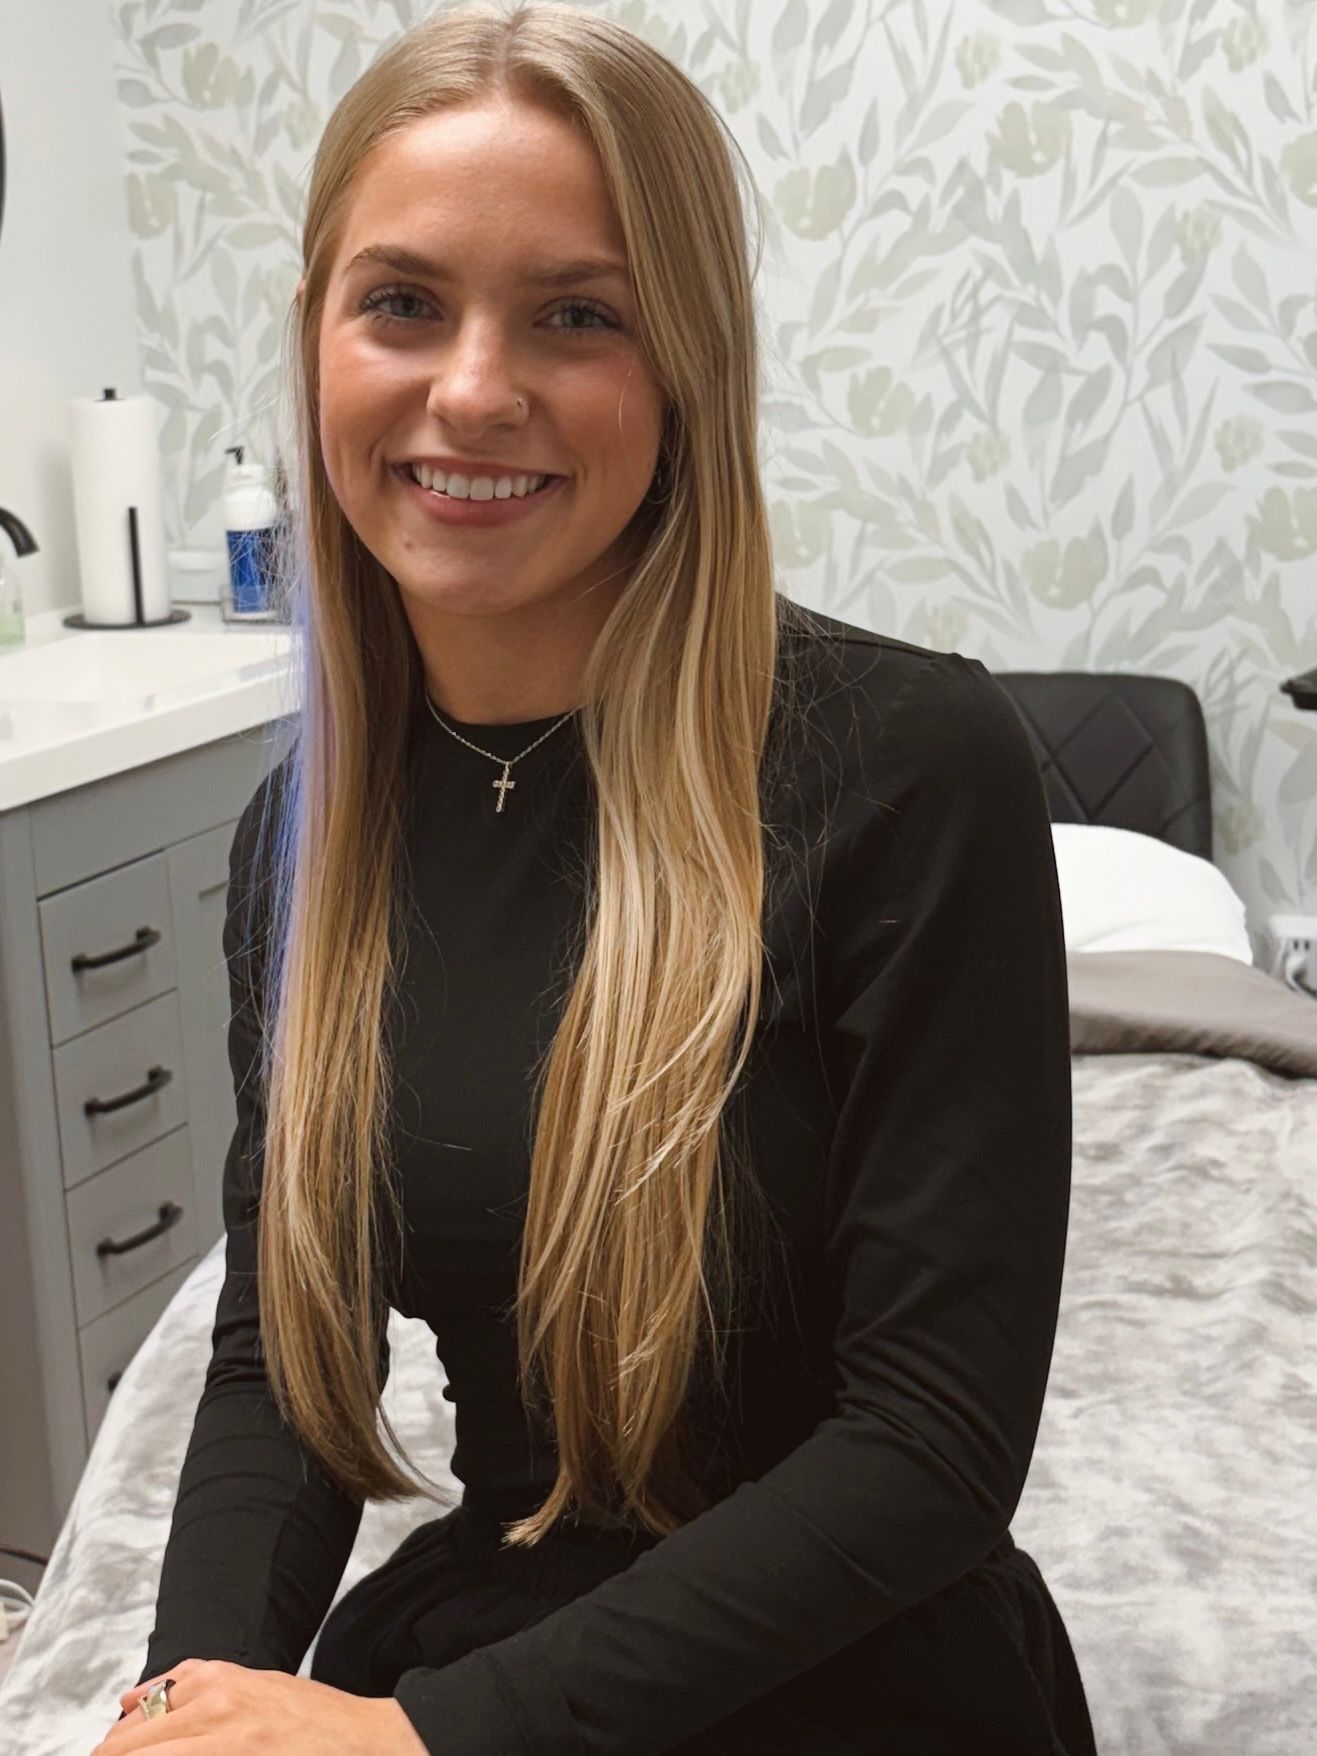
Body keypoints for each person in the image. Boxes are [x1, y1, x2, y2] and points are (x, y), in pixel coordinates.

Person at [98, 3, 1098, 1753]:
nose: (473, 390)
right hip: (496, 1624)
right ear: (318, 337)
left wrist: (416, 1738)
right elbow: (283, 1365)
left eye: (577, 315)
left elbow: (930, 1442)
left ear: (686, 364)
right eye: (402, 303)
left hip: (865, 1669)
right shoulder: (301, 843)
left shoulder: (911, 767)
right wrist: (181, 1704)